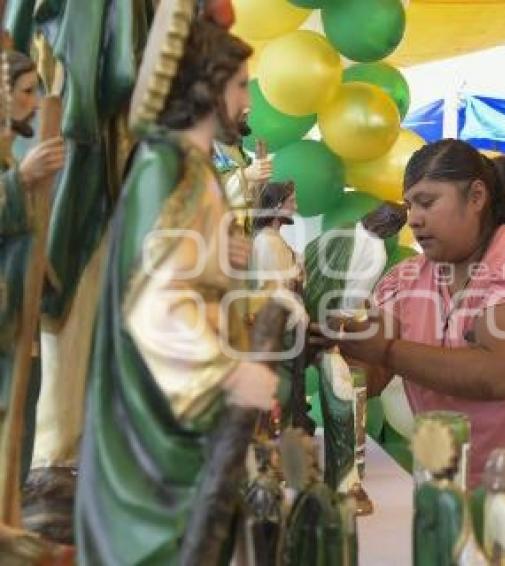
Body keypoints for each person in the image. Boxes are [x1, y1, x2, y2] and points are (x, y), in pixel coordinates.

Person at [315, 139, 505, 565]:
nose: (413, 219)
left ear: (476, 196)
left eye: (427, 202)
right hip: (465, 490)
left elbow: (496, 375)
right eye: (409, 205)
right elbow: (372, 374)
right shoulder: (407, 277)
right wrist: (331, 348)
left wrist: (386, 348)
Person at [75, 13, 279, 563]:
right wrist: (231, 374)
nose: (246, 100)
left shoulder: (193, 167)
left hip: (185, 414)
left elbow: (181, 262)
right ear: (207, 86)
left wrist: (223, 256)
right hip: (160, 423)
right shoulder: (164, 165)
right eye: (239, 85)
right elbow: (155, 302)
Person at [0, 49, 65, 519]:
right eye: (26, 92)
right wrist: (20, 181)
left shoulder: (9, 153)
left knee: (22, 409)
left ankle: (11, 504)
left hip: (19, 310)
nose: (35, 103)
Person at [213, 110, 272, 234]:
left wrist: (260, 170)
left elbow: (253, 199)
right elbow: (214, 191)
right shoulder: (211, 147)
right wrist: (246, 174)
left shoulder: (237, 150)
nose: (247, 111)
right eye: (239, 108)